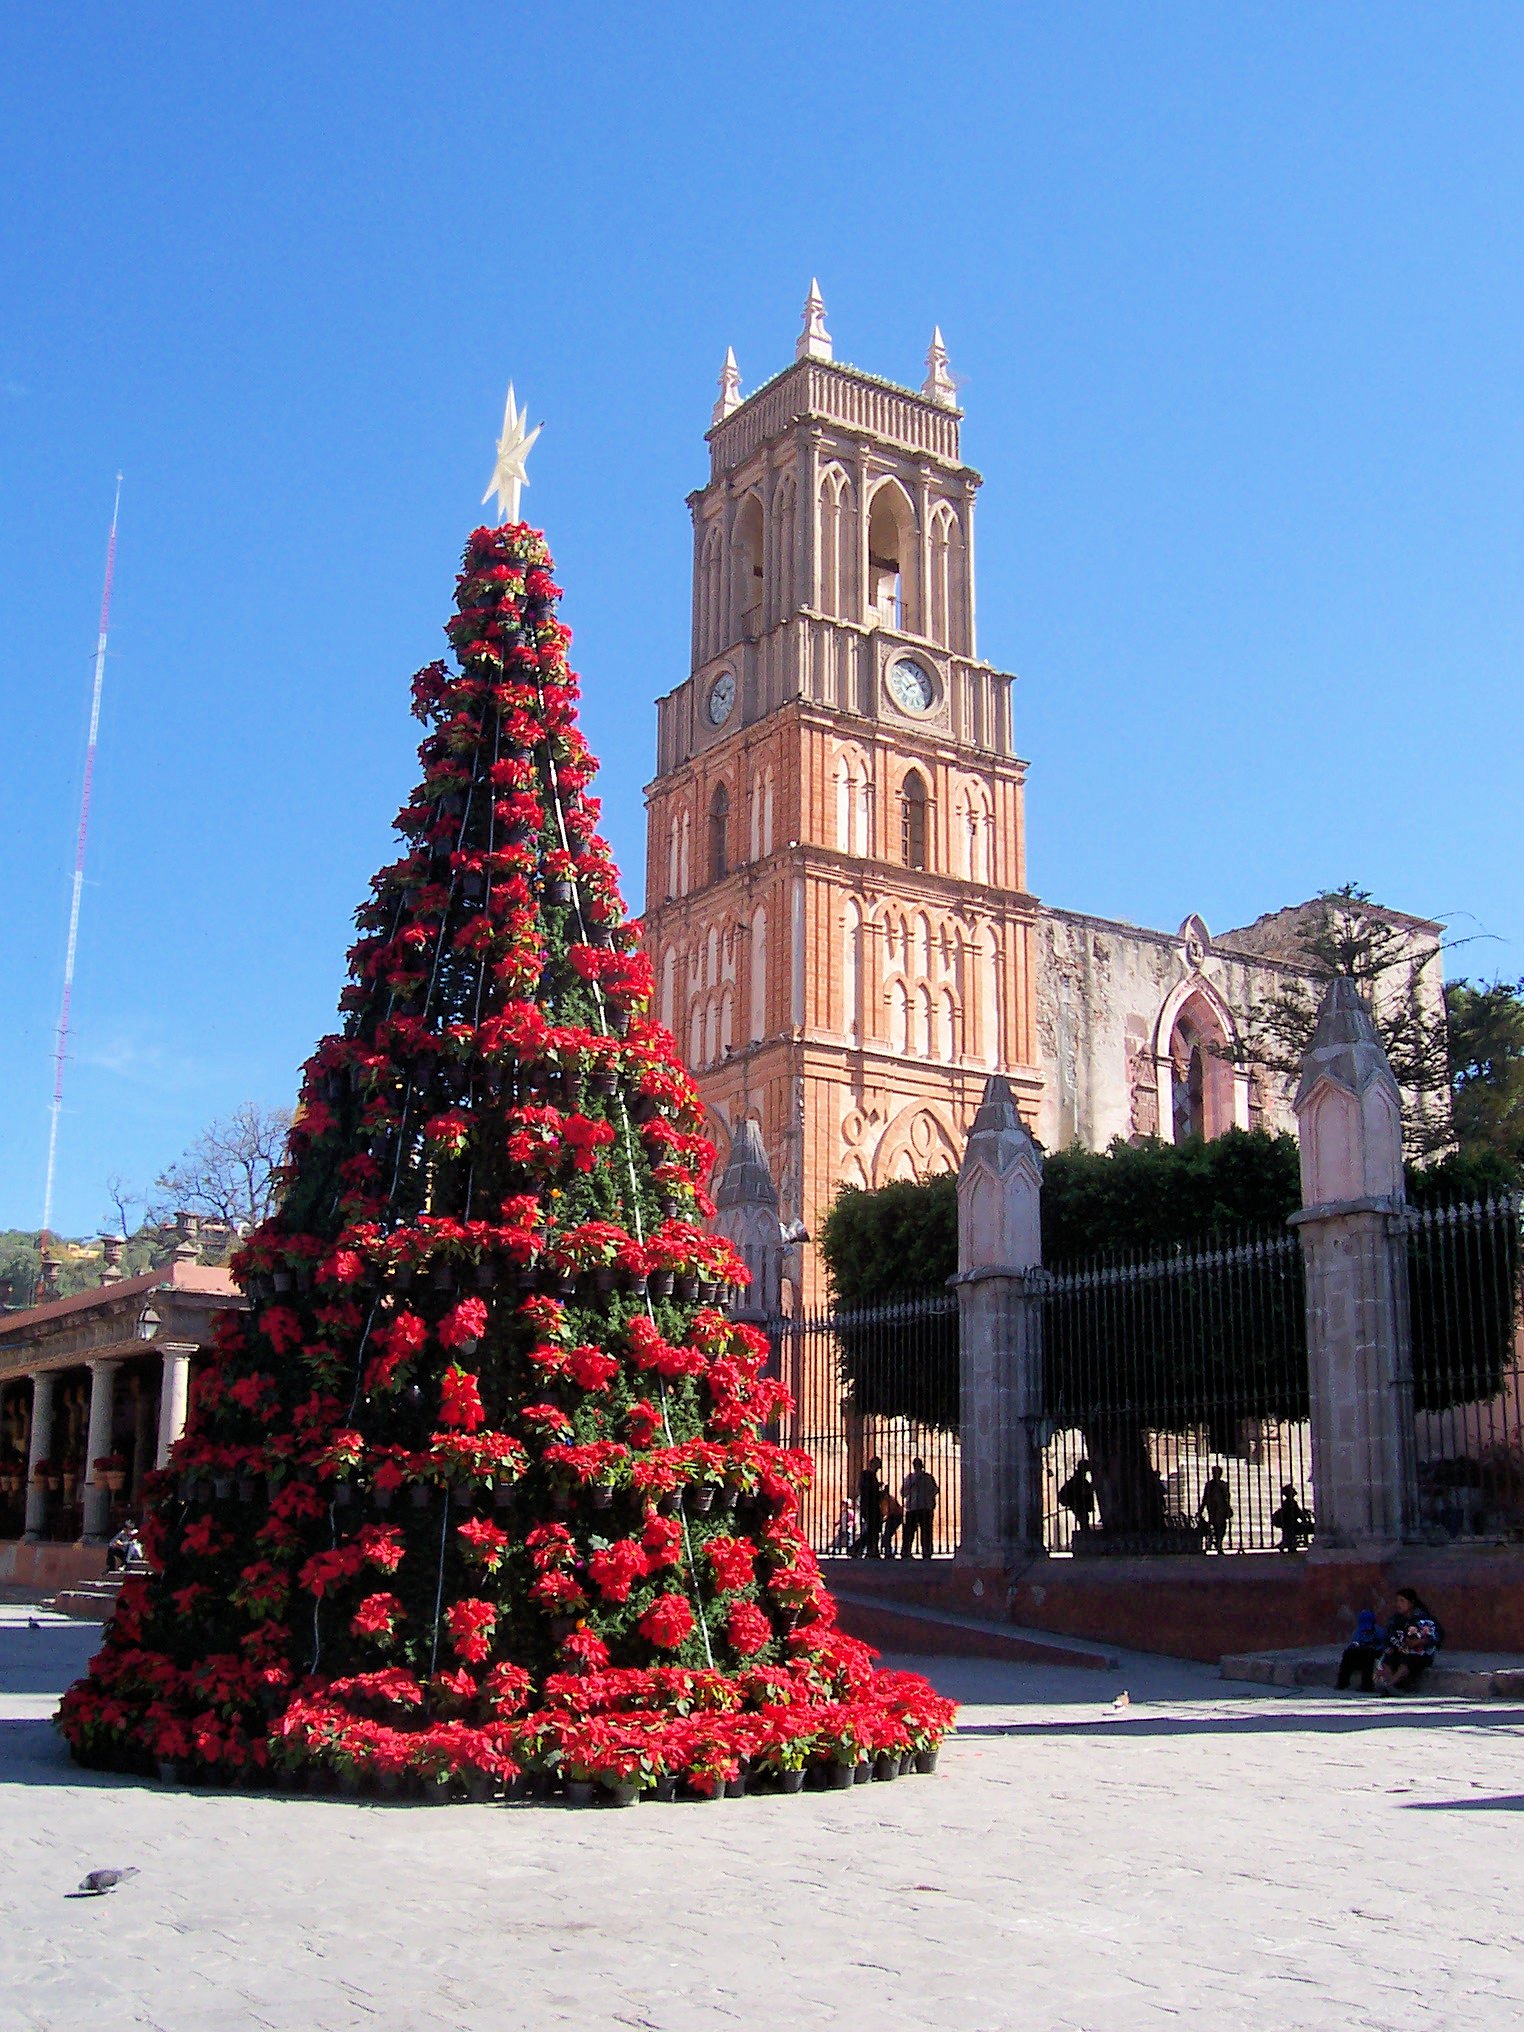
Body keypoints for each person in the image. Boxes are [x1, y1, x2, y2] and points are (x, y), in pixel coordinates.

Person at [1375, 1588, 1443, 1693]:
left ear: (1411, 1603)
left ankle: (1390, 1685)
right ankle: (1390, 1684)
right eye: (1397, 1601)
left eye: (1402, 1601)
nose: (1398, 1604)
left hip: (1421, 1654)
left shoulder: (1422, 1619)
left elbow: (1432, 1638)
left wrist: (1417, 1642)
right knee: (1388, 1658)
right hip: (1402, 1650)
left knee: (1408, 1661)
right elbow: (1391, 1636)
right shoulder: (1396, 1620)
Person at [1337, 1608, 1386, 1691]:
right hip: (1361, 1653)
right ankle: (1342, 1682)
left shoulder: (1379, 1631)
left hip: (1374, 1653)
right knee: (1347, 1653)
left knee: (1369, 1655)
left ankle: (1367, 1685)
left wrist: (1375, 1647)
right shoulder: (1357, 1632)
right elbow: (1353, 1644)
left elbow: (1384, 1645)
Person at [900, 1458, 939, 1560]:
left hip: (912, 1508)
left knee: (909, 1532)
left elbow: (903, 1493)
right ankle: (927, 1552)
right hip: (925, 1508)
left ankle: (906, 1551)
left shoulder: (910, 1478)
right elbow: (935, 1490)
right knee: (926, 1532)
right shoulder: (928, 1478)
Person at [850, 1457, 884, 1559]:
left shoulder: (871, 1475)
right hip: (869, 1505)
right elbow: (864, 1488)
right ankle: (863, 1549)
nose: (879, 1467)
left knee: (874, 1529)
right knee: (872, 1529)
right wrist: (877, 1487)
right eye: (877, 1464)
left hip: (872, 1504)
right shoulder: (866, 1474)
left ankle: (870, 1550)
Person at [1196, 1466, 1232, 1553]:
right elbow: (1205, 1497)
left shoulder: (1223, 1484)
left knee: (1222, 1526)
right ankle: (1212, 1542)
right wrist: (1201, 1508)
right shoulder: (1209, 1485)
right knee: (1213, 1525)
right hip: (1212, 1508)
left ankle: (1218, 1543)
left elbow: (1227, 1497)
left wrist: (1228, 1507)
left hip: (1221, 1508)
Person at [1058, 1459, 1097, 1536]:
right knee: (1084, 1522)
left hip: (1078, 1504)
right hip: (1079, 1504)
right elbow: (1082, 1491)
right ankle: (1085, 1540)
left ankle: (1085, 1537)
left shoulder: (1079, 1477)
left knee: (1084, 1521)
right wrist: (1092, 1487)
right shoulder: (1079, 1478)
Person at [1270, 1482, 1312, 1553]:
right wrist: (1304, 1519)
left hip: (1288, 1523)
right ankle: (1288, 1545)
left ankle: (1285, 1545)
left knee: (1288, 1535)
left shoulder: (1287, 1502)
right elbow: (1298, 1513)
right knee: (1292, 1533)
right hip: (1290, 1523)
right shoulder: (1291, 1503)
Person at [880, 1481, 905, 1559]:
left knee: (887, 1534)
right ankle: (888, 1550)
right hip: (895, 1516)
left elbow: (889, 1511)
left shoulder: (886, 1499)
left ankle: (888, 1551)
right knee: (888, 1534)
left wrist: (883, 1519)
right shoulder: (889, 1498)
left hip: (894, 1517)